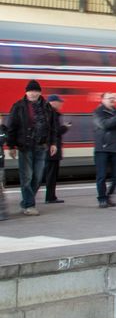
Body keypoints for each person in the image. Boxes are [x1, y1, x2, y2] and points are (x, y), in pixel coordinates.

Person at [3, 80, 57, 216]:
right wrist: (11, 145)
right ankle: (29, 205)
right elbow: (12, 127)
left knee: (38, 177)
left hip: (42, 146)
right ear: (26, 92)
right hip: (25, 146)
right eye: (30, 91)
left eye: (35, 91)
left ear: (40, 92)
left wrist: (53, 143)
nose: (33, 93)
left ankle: (26, 200)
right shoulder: (19, 106)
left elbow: (53, 127)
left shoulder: (47, 107)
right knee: (27, 176)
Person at [42, 95, 70, 204]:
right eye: (59, 102)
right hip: (51, 150)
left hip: (50, 150)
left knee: (50, 174)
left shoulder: (49, 113)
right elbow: (54, 131)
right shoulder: (51, 114)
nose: (61, 104)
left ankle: (51, 196)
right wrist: (65, 128)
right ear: (53, 102)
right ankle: (49, 197)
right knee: (50, 175)